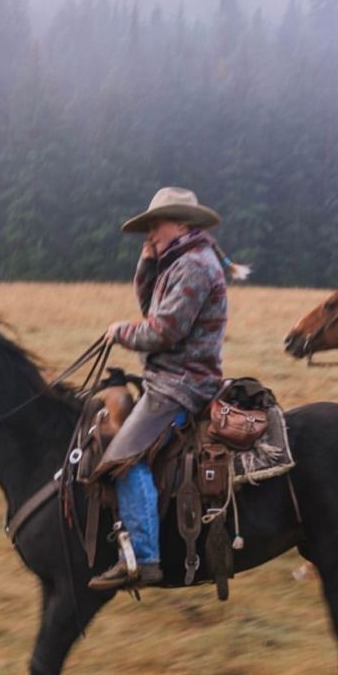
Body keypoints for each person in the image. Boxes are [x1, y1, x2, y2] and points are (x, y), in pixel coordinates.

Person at [88, 187, 231, 590]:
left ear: (182, 223)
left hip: (181, 385)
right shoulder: (181, 261)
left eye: (156, 225)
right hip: (170, 379)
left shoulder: (194, 267)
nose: (149, 233)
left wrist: (120, 332)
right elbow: (151, 305)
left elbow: (164, 330)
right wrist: (147, 260)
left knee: (122, 457)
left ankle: (144, 558)